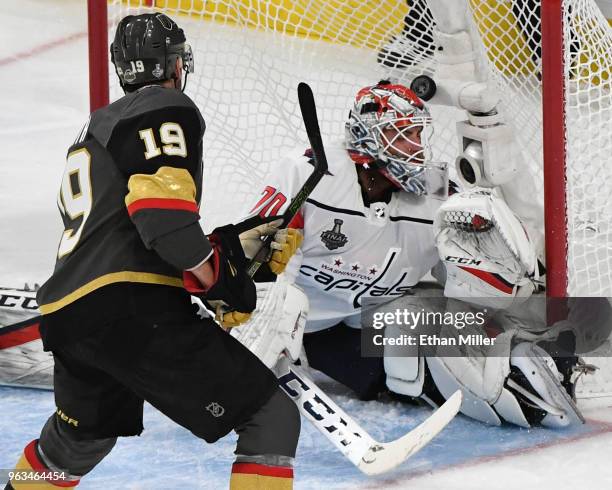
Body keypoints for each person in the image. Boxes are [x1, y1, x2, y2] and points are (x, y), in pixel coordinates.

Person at [5, 13, 301, 490]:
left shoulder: (96, 126)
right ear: (173, 63)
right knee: (271, 419)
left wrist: (223, 251)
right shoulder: (166, 106)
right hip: (130, 313)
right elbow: (161, 219)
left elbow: (129, 236)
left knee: (78, 442)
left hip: (71, 316)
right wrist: (218, 277)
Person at [230, 79, 587, 429]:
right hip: (308, 328)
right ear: (368, 138)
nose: (417, 148)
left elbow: (462, 274)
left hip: (367, 319)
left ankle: (531, 367)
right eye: (404, 135)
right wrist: (266, 329)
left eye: (419, 135)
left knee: (426, 342)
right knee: (285, 303)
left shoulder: (435, 192)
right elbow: (258, 258)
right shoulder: (309, 172)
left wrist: (503, 275)